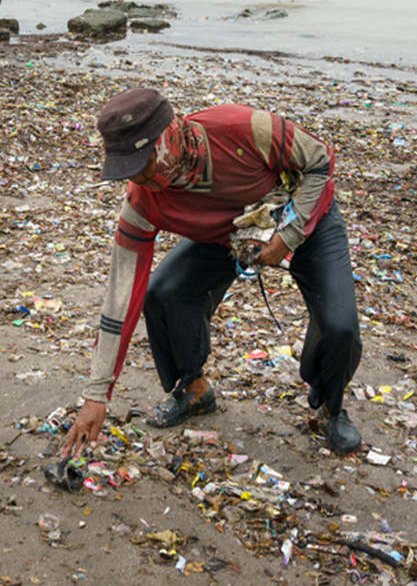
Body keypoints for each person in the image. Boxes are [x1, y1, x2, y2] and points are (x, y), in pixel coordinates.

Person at [60, 88, 363, 459]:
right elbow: (121, 295)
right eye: (129, 170)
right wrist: (96, 393)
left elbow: (319, 160)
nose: (140, 179)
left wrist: (289, 234)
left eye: (144, 165)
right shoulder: (142, 201)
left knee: (340, 326)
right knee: (164, 293)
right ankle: (195, 390)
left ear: (168, 137)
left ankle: (332, 405)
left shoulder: (245, 128)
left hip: (303, 216)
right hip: (229, 234)